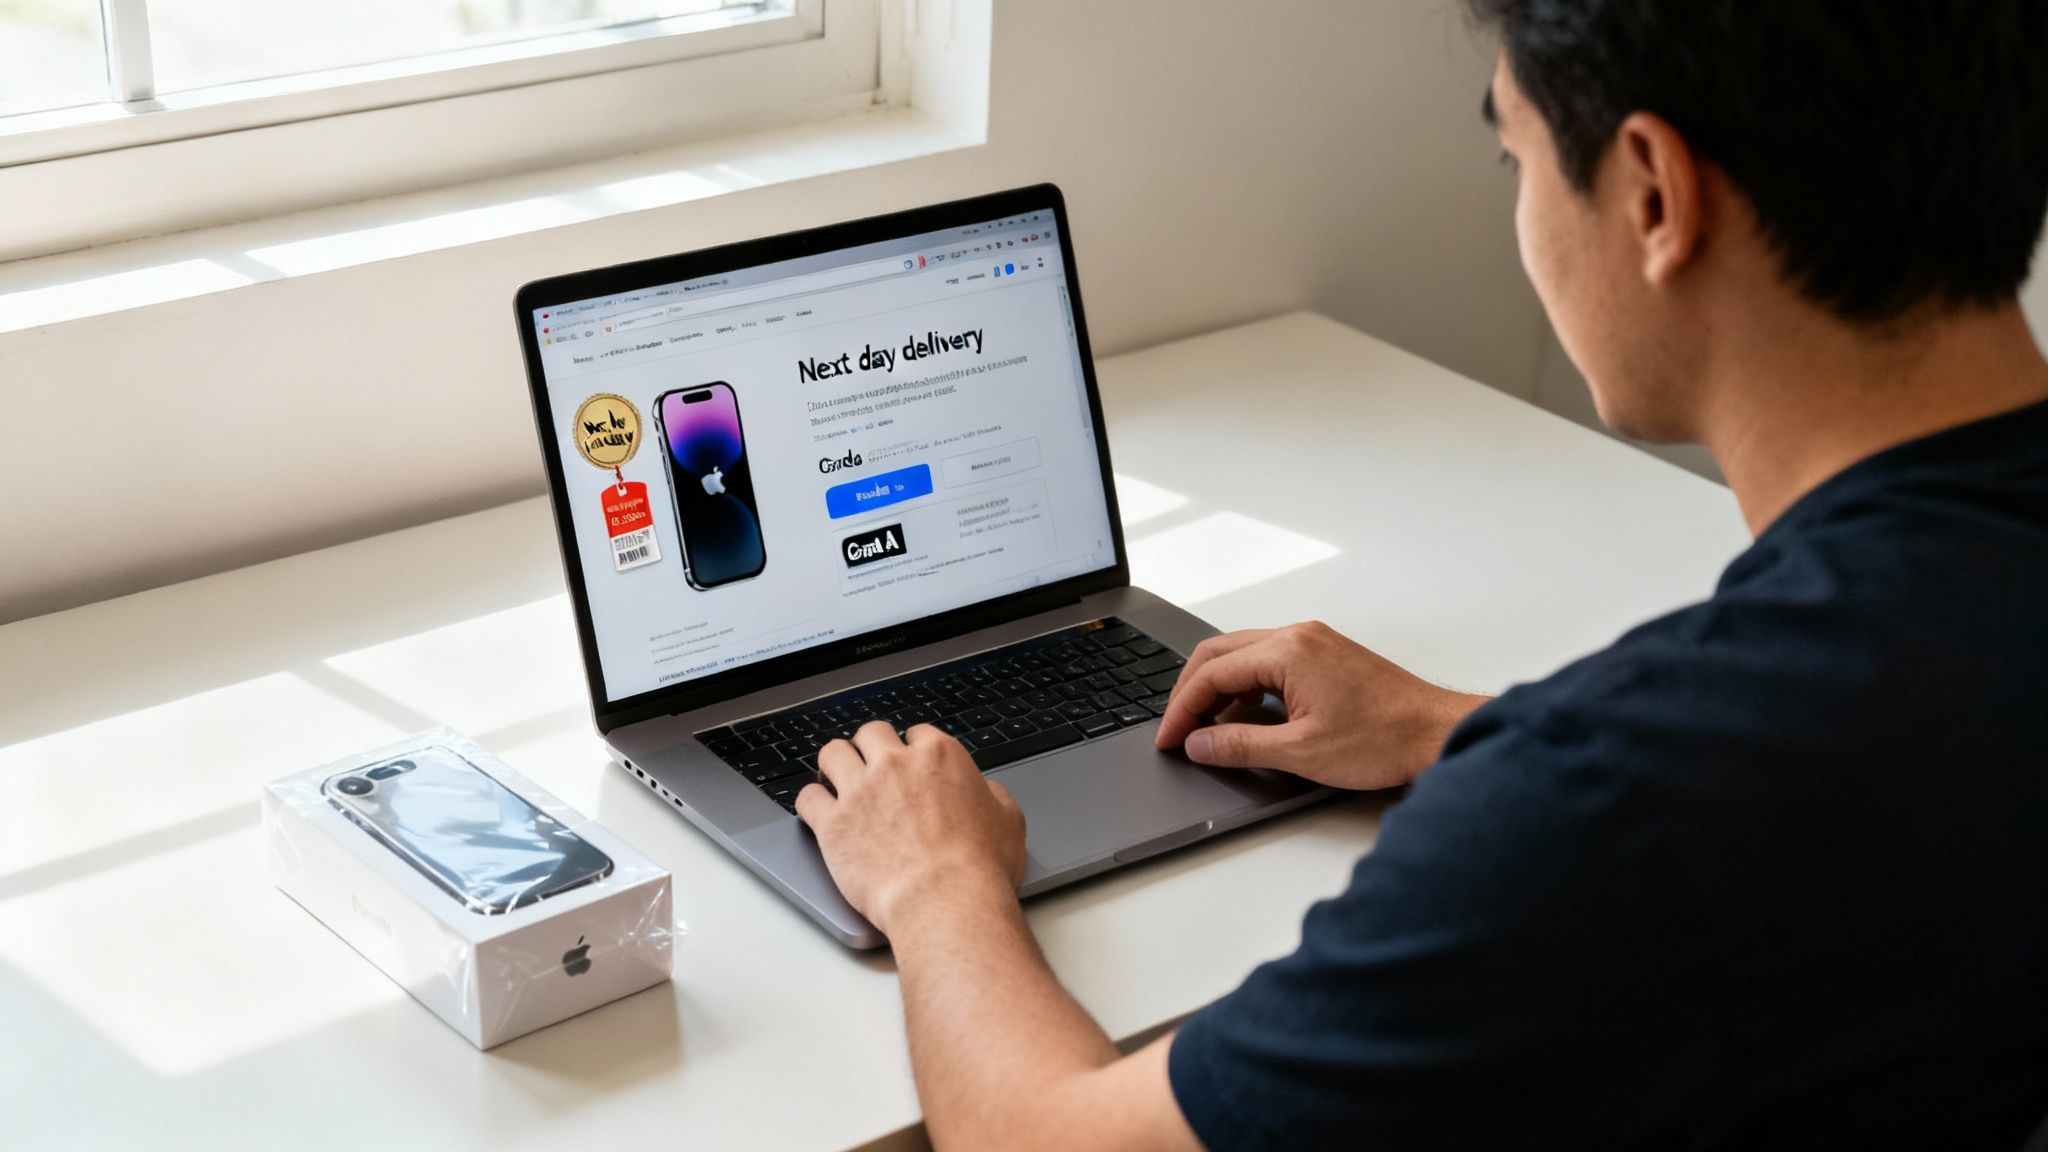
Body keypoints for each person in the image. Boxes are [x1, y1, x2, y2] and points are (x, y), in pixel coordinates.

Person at [793, 2, 2048, 1147]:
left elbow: (1044, 1142)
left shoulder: (1597, 811)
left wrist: (935, 882)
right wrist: (1464, 729)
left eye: (1517, 159)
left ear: (1655, 196)